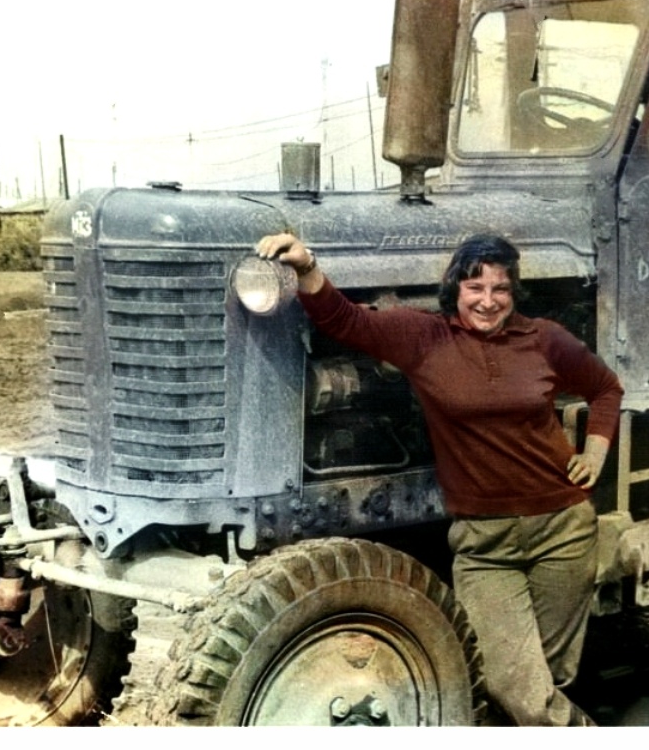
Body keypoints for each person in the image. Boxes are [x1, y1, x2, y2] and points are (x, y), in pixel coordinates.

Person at [255, 231, 624, 727]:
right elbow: (344, 320)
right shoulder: (425, 338)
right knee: (512, 683)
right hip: (485, 545)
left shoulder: (544, 338)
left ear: (514, 292)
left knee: (548, 679)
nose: (488, 301)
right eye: (476, 288)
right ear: (455, 288)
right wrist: (306, 267)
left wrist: (595, 451)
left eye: (500, 289)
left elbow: (605, 388)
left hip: (564, 529)